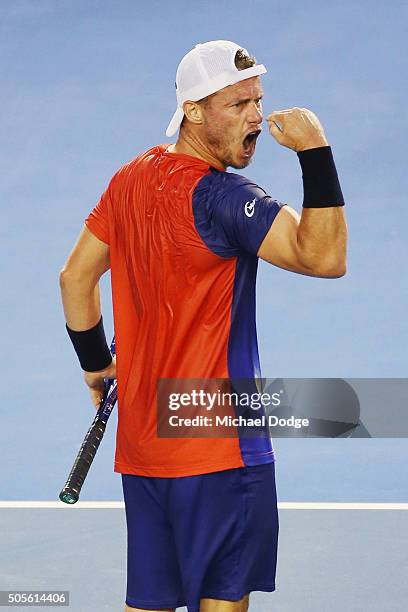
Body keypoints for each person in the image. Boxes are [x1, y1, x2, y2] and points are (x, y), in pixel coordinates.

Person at [59, 40, 347, 612]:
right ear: (192, 111)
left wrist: (96, 364)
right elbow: (323, 257)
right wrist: (316, 152)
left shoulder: (128, 178)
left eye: (257, 101)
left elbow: (75, 279)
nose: (256, 116)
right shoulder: (223, 197)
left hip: (143, 448)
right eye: (238, 104)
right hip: (219, 454)